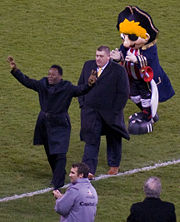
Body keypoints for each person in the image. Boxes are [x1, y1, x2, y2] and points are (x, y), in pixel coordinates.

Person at [7, 56, 97, 190]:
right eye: (49, 74)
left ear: (60, 77)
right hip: (44, 122)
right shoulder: (42, 84)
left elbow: (80, 90)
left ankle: (58, 183)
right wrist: (15, 70)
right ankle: (58, 173)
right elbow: (28, 82)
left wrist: (90, 84)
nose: (50, 77)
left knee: (60, 153)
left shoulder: (67, 87)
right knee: (50, 152)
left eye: (53, 75)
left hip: (60, 123)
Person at [110, 6, 175, 134]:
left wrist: (137, 60)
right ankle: (149, 114)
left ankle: (147, 119)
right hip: (132, 78)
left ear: (145, 36)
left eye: (132, 38)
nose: (126, 43)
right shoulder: (127, 46)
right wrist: (118, 57)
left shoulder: (149, 48)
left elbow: (150, 60)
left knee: (146, 98)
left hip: (145, 80)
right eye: (124, 37)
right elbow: (122, 53)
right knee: (134, 96)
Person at [78, 45, 130, 178]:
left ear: (108, 57)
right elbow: (81, 85)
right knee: (91, 139)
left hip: (110, 113)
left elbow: (123, 92)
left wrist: (116, 111)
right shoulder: (88, 66)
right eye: (96, 56)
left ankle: (114, 165)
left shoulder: (118, 70)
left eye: (101, 56)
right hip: (91, 112)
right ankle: (88, 170)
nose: (98, 59)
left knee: (113, 138)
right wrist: (83, 104)